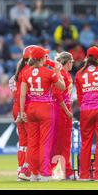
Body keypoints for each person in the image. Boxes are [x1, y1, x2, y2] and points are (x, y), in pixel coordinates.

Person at [19, 46, 66, 181]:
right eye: (46, 56)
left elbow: (23, 94)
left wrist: (22, 112)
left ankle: (34, 174)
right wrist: (57, 71)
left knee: (32, 143)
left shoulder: (26, 73)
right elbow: (62, 88)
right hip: (45, 108)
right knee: (45, 142)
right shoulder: (49, 72)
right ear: (42, 58)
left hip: (31, 108)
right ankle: (45, 173)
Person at [74, 46, 98, 181]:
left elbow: (79, 97)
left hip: (86, 110)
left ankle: (83, 175)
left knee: (85, 143)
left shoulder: (79, 73)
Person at [10, 45, 35, 181]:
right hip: (25, 107)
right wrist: (22, 112)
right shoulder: (29, 72)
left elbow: (14, 90)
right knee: (32, 139)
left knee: (23, 141)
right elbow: (23, 94)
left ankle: (21, 168)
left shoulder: (17, 74)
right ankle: (26, 169)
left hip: (17, 107)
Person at [52, 52, 74, 180]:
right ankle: (50, 168)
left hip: (65, 109)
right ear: (67, 62)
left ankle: (67, 170)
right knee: (60, 143)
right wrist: (66, 111)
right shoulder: (62, 75)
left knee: (65, 142)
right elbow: (57, 94)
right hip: (60, 110)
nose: (72, 64)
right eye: (71, 61)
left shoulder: (67, 74)